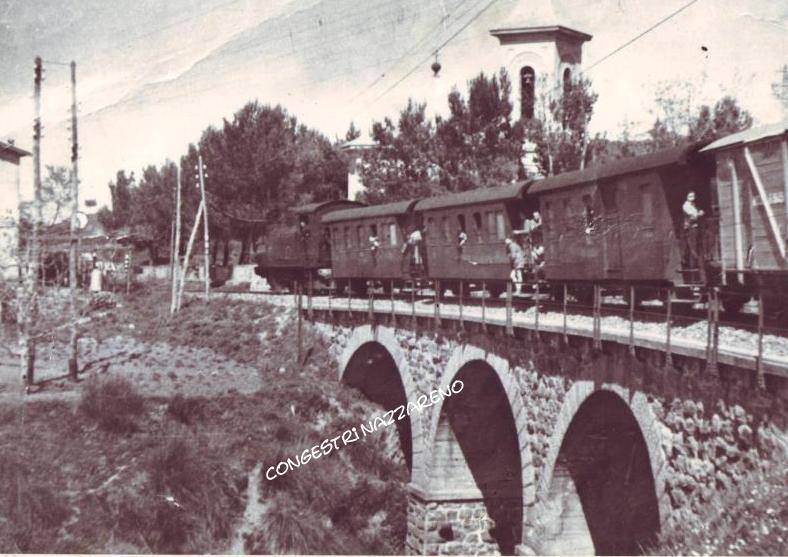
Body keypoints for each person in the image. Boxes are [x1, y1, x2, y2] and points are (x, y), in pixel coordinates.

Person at [682, 191, 704, 269]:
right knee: (692, 247)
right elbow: (692, 217)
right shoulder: (686, 206)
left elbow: (698, 212)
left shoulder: (694, 205)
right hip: (690, 228)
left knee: (695, 246)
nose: (692, 198)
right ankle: (694, 265)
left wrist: (699, 213)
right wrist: (699, 214)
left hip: (695, 227)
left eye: (693, 196)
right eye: (690, 197)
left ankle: (695, 264)